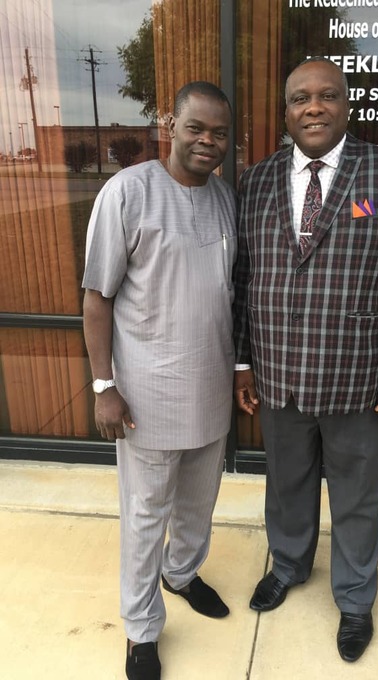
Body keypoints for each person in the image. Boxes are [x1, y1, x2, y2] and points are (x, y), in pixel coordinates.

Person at [233, 58, 378, 664]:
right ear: (286, 112)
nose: (314, 107)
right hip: (278, 374)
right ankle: (289, 565)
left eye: (327, 96)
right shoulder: (258, 180)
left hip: (357, 378)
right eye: (301, 98)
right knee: (286, 483)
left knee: (356, 495)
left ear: (346, 106)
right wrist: (243, 362)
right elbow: (243, 280)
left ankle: (354, 598)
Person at [82, 81, 237, 680]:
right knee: (146, 515)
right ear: (170, 126)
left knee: (198, 501)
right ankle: (141, 629)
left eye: (219, 133)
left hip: (211, 386)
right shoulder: (127, 192)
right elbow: (97, 299)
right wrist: (104, 386)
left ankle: (183, 573)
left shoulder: (224, 198)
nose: (207, 141)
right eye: (195, 128)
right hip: (147, 395)